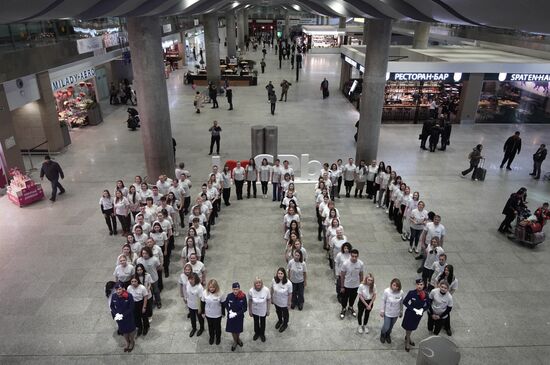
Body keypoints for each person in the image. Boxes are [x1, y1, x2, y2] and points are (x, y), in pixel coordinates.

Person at [401, 279, 429, 351]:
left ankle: (408, 337)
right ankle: (407, 341)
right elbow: (405, 302)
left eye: (421, 284)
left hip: (418, 315)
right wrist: (413, 309)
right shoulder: (411, 293)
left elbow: (428, 305)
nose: (419, 286)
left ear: (424, 285)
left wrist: (422, 310)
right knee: (408, 327)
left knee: (412, 327)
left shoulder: (426, 294)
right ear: (416, 285)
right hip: (410, 313)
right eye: (418, 284)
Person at [110, 282, 136, 352]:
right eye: (116, 289)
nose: (118, 291)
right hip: (120, 319)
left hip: (128, 318)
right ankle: (127, 342)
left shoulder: (129, 296)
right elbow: (112, 306)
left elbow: (131, 308)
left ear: (123, 289)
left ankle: (132, 342)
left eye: (119, 289)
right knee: (124, 331)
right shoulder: (114, 296)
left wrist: (123, 315)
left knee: (130, 331)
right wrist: (116, 314)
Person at [339, 249, 364, 319]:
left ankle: (350, 307)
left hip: (356, 285)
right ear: (350, 255)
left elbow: (361, 274)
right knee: (344, 298)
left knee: (353, 298)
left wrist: (361, 286)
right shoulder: (345, 263)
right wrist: (342, 286)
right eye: (352, 256)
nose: (354, 258)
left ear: (358, 256)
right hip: (347, 285)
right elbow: (342, 275)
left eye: (356, 256)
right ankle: (343, 309)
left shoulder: (360, 264)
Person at [379, 278, 404, 344]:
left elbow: (401, 302)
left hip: (396, 313)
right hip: (387, 312)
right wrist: (382, 310)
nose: (395, 287)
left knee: (391, 326)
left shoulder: (401, 292)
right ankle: (382, 334)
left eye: (397, 286)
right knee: (386, 326)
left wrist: (401, 311)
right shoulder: (386, 291)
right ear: (391, 284)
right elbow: (383, 301)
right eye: (394, 285)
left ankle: (388, 335)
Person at [201, 279, 225, 345]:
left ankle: (218, 338)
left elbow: (223, 303)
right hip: (208, 314)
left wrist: (223, 313)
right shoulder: (204, 292)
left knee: (217, 327)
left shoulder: (220, 293)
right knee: (210, 327)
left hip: (217, 314)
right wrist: (202, 312)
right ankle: (211, 337)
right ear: (208, 286)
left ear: (216, 287)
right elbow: (202, 303)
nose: (211, 289)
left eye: (213, 287)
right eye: (210, 287)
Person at [225, 282, 247, 351]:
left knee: (238, 329)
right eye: (234, 289)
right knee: (233, 330)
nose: (235, 291)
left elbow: (245, 308)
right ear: (232, 289)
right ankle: (235, 341)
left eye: (237, 289)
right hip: (231, 317)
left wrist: (236, 314)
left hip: (239, 317)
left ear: (239, 289)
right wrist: (229, 311)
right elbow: (226, 304)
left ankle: (238, 339)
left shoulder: (243, 296)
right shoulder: (229, 296)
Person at [248, 277, 271, 342]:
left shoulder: (266, 290)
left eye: (259, 282)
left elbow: (269, 300)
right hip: (254, 310)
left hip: (263, 310)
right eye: (256, 283)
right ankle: (257, 333)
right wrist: (250, 310)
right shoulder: (251, 291)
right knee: (256, 322)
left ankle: (262, 334)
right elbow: (250, 301)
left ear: (262, 283)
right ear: (254, 284)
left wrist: (268, 310)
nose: (258, 284)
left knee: (263, 322)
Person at [271, 268, 292, 333]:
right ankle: (280, 321)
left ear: (284, 274)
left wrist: (289, 303)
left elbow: (290, 294)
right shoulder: (274, 280)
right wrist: (271, 298)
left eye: (281, 273)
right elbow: (271, 289)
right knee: (278, 312)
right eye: (278, 273)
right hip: (276, 301)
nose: (280, 275)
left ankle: (285, 324)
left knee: (285, 314)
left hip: (284, 303)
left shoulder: (288, 283)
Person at [185, 272, 205, 337]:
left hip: (197, 306)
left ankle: (201, 328)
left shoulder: (199, 287)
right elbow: (187, 292)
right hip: (190, 305)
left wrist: (199, 308)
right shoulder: (188, 283)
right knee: (192, 318)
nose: (190, 281)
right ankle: (194, 328)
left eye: (192, 279)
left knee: (200, 319)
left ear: (196, 279)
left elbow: (201, 298)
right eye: (189, 279)